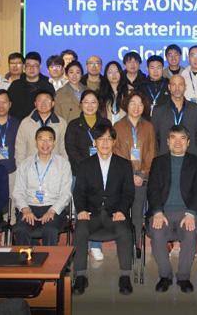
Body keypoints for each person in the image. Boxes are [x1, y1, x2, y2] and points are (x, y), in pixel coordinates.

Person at [73, 122, 135, 296]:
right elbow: (79, 192)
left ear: (114, 142)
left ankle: (125, 276)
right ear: (95, 142)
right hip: (91, 214)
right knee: (80, 230)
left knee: (124, 231)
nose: (105, 143)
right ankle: (80, 276)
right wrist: (81, 210)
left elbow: (128, 192)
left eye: (109, 139)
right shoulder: (85, 165)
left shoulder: (124, 165)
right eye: (101, 139)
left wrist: (122, 210)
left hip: (115, 214)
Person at [147, 125, 197, 293]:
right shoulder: (158, 162)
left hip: (187, 212)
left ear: (188, 142)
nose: (178, 142)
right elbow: (152, 189)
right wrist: (157, 212)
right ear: (167, 142)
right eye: (173, 138)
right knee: (157, 233)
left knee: (190, 233)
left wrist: (191, 213)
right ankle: (165, 276)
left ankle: (183, 277)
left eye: (182, 138)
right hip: (162, 212)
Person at [64, 90, 110, 261]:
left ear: (98, 105)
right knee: (82, 210)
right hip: (80, 174)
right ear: (80, 104)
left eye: (93, 102)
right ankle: (82, 245)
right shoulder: (74, 125)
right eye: (86, 102)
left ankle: (96, 245)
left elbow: (109, 145)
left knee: (98, 210)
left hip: (102, 172)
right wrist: (87, 168)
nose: (90, 106)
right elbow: (71, 150)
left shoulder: (105, 123)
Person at [12, 126, 72, 246]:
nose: (45, 144)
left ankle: (50, 259)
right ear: (36, 142)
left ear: (54, 143)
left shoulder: (63, 164)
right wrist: (25, 209)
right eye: (41, 139)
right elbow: (18, 192)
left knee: (50, 230)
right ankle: (26, 258)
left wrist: (52, 211)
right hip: (30, 207)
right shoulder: (25, 164)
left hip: (53, 207)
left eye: (49, 139)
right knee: (21, 230)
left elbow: (66, 193)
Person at [113, 92, 156, 249]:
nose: (136, 107)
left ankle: (137, 243)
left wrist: (142, 174)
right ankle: (124, 243)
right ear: (126, 105)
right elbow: (115, 152)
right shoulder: (117, 126)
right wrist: (129, 175)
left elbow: (152, 153)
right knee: (123, 211)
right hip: (123, 177)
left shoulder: (149, 127)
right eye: (133, 103)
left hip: (142, 177)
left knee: (138, 213)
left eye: (140, 104)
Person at [151, 74, 197, 158]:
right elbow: (153, 137)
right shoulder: (158, 110)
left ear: (185, 87)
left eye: (180, 85)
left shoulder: (195, 109)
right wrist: (158, 157)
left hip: (191, 158)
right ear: (169, 87)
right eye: (174, 85)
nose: (177, 88)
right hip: (165, 157)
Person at [15, 89, 68, 166]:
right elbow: (20, 149)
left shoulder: (61, 123)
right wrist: (21, 168)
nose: (43, 103)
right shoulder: (26, 123)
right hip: (31, 167)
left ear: (53, 103)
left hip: (55, 167)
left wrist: (65, 167)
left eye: (47, 100)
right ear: (35, 103)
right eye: (40, 100)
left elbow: (64, 149)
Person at [8, 51, 55, 120]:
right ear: (24, 67)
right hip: (18, 124)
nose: (31, 68)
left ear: (40, 67)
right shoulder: (15, 86)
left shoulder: (47, 86)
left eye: (35, 65)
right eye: (28, 65)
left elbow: (52, 109)